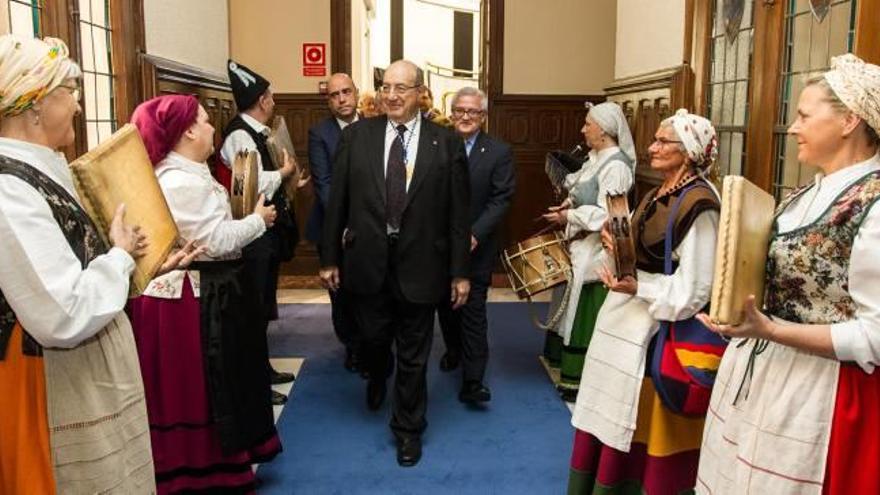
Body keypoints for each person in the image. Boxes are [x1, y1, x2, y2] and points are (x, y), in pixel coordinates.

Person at [0, 34, 195, 493]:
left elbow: (75, 266)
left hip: (85, 365)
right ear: (35, 104)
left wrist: (140, 270)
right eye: (69, 92)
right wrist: (121, 257)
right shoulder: (10, 190)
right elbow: (61, 314)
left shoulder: (45, 167)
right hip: (50, 380)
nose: (78, 106)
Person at [696, 54, 880, 494]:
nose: (794, 127)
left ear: (849, 120)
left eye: (803, 115)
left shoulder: (874, 203)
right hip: (765, 372)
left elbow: (874, 336)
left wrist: (771, 330)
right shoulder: (803, 194)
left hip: (820, 389)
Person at [319, 59, 470, 467]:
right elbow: (339, 203)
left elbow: (459, 215)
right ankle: (376, 370)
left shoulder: (446, 142)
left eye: (402, 88)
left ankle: (408, 429)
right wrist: (330, 256)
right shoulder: (358, 137)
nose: (392, 95)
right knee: (372, 339)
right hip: (366, 264)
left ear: (420, 93)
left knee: (414, 354)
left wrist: (459, 272)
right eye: (387, 87)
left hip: (423, 267)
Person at [129, 94, 283, 493]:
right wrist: (258, 221)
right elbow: (214, 240)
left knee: (221, 381)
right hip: (190, 299)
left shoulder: (190, 170)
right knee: (202, 386)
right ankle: (201, 467)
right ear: (188, 131)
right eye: (205, 119)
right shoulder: (179, 180)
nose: (214, 126)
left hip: (206, 291)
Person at [568, 109, 722, 494]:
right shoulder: (658, 192)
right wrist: (616, 247)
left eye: (662, 142)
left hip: (653, 337)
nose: (651, 147)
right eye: (653, 140)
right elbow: (638, 253)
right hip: (622, 323)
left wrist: (640, 287)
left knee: (634, 434)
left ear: (688, 152)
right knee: (605, 422)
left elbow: (695, 290)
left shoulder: (699, 206)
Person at [220, 59, 303, 405]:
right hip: (252, 236)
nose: (273, 101)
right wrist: (283, 172)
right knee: (252, 312)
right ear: (264, 100)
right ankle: (254, 382)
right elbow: (248, 182)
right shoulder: (240, 134)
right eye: (270, 96)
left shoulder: (257, 131)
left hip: (265, 230)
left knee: (262, 307)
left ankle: (263, 370)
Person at [542, 101, 635, 401]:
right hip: (580, 246)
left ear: (605, 130)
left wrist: (569, 217)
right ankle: (560, 358)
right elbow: (582, 191)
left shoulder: (617, 167)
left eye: (587, 124)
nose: (583, 129)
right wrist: (568, 205)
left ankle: (581, 376)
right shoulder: (596, 158)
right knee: (567, 301)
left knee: (584, 307)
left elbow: (611, 215)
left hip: (597, 250)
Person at [436, 86, 515, 403]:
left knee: (473, 311)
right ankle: (453, 350)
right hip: (439, 245)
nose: (465, 116)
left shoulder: (498, 151)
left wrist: (474, 234)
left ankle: (473, 380)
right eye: (460, 110)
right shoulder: (437, 144)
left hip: (477, 247)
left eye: (473, 111)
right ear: (451, 113)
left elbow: (501, 199)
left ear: (483, 117)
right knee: (446, 305)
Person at [307, 73, 362, 372]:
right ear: (328, 100)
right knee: (340, 293)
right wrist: (346, 223)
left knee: (370, 288)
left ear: (356, 93)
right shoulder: (320, 133)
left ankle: (372, 342)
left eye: (346, 92)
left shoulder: (374, 126)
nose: (341, 99)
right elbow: (324, 183)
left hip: (371, 228)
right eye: (334, 95)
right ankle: (351, 346)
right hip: (332, 226)